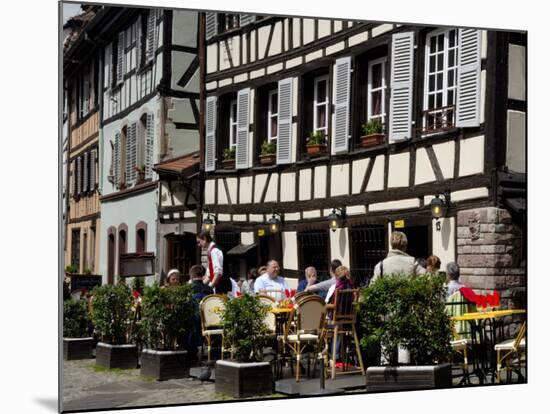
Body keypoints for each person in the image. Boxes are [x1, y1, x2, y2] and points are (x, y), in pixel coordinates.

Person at [197, 230, 231, 294]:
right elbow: (209, 275)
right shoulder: (211, 251)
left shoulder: (214, 251)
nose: (198, 245)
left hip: (222, 287)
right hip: (218, 286)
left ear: (204, 238)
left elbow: (218, 273)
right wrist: (201, 287)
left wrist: (209, 287)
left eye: (199, 242)